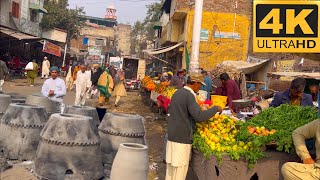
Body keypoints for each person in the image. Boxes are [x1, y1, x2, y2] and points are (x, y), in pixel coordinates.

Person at [166, 73, 222, 180]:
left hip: (172, 136)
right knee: (179, 172)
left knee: (171, 171)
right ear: (195, 84)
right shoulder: (189, 95)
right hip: (182, 139)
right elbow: (199, 117)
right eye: (200, 85)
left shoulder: (177, 92)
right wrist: (215, 109)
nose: (200, 87)